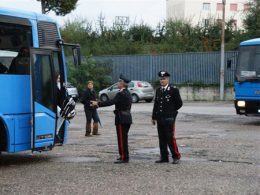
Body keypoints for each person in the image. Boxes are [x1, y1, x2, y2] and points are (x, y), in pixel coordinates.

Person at [91, 74, 132, 164]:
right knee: (123, 138)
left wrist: (97, 103)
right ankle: (123, 155)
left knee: (122, 138)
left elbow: (111, 102)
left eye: (119, 81)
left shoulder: (121, 94)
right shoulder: (127, 93)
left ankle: (124, 157)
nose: (118, 83)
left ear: (122, 83)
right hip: (126, 118)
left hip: (122, 118)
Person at [152, 71, 183, 164]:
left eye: (164, 78)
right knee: (162, 138)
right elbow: (156, 105)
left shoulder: (173, 90)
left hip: (169, 118)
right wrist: (154, 117)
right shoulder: (158, 90)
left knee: (170, 138)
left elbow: (179, 103)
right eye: (161, 79)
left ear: (168, 79)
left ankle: (176, 156)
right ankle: (164, 157)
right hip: (160, 118)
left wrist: (172, 112)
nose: (162, 80)